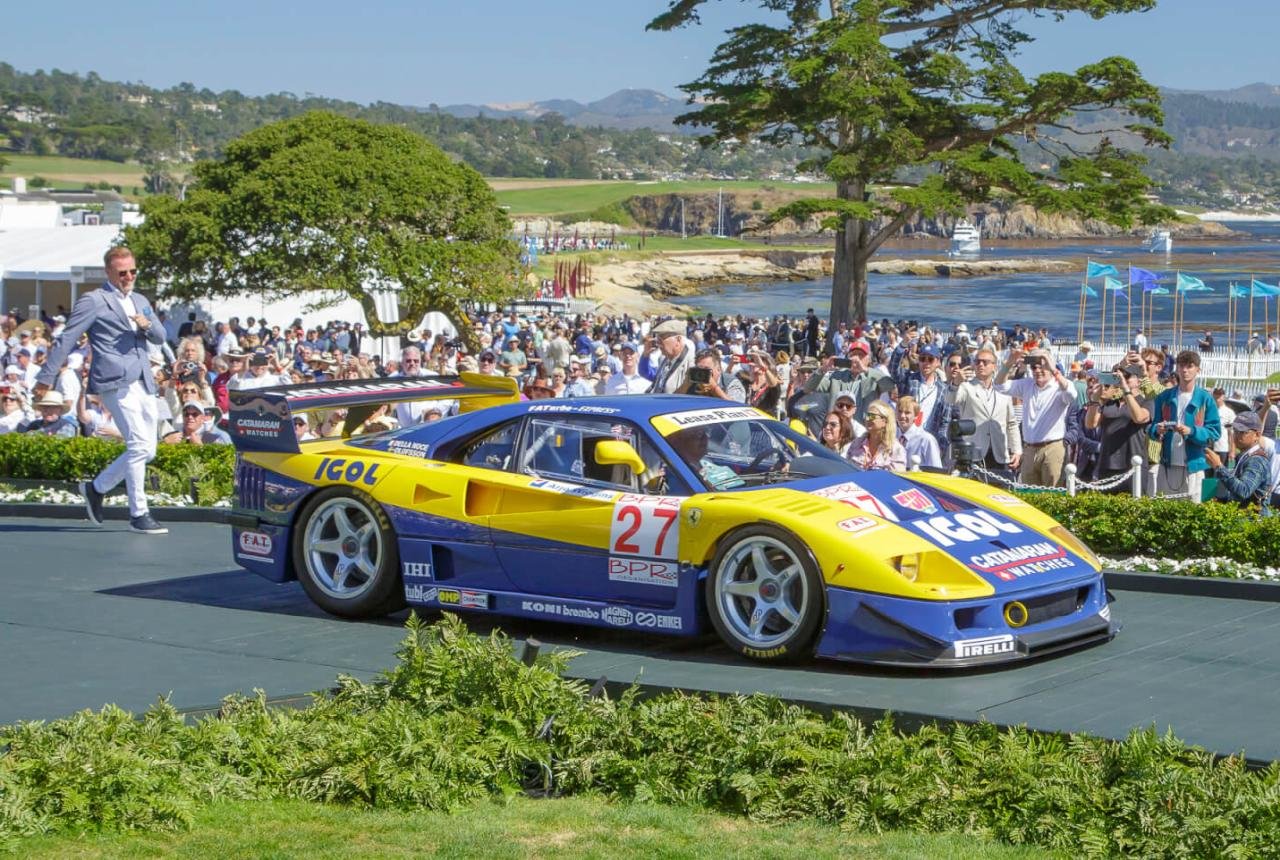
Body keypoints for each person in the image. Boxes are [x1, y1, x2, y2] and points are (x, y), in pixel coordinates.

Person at [34, 246, 169, 534]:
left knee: (149, 451)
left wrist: (147, 326)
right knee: (137, 446)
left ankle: (97, 487)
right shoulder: (94, 301)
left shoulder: (141, 299)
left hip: (143, 379)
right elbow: (68, 338)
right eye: (122, 272)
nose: (129, 277)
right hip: (114, 381)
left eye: (132, 271)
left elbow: (160, 335)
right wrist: (46, 377)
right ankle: (139, 513)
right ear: (108, 272)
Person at [996, 347, 1076, 487]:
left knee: (1054, 495)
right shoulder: (1027, 384)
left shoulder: (1059, 385)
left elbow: (1071, 394)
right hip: (1029, 449)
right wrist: (1009, 363)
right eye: (1034, 367)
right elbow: (999, 386)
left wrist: (1054, 370)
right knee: (1030, 495)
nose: (1038, 371)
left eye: (1042, 366)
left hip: (1052, 447)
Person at [1148, 350, 1221, 504]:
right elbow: (1152, 428)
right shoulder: (1164, 397)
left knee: (1193, 513)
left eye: (1190, 366)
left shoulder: (1205, 399)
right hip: (1167, 463)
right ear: (1177, 369)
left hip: (1193, 465)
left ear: (1198, 370)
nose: (1185, 370)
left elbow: (1214, 432)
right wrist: (1157, 430)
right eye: (1181, 366)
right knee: (1165, 512)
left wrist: (1192, 431)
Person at [945, 347, 1021, 472]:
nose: (980, 364)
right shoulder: (966, 387)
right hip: (974, 453)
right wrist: (956, 384)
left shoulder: (1003, 390)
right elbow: (950, 400)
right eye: (977, 361)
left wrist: (1017, 450)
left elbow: (1011, 423)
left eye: (985, 362)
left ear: (994, 367)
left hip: (999, 454)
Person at [1083, 364, 1150, 489]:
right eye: (1120, 376)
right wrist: (1095, 398)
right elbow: (1090, 424)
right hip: (1107, 464)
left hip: (1133, 464)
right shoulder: (1110, 403)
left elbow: (1139, 417)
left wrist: (1126, 390)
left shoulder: (1146, 402)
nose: (1123, 379)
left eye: (1127, 376)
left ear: (1139, 381)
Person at [1206, 412, 1270, 508]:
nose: (1236, 435)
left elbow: (1244, 491)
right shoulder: (1244, 456)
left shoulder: (1256, 460)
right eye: (1235, 431)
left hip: (1254, 520)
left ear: (1257, 435)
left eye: (1242, 432)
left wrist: (1219, 467)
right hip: (1245, 517)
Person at [667, 425, 743, 489]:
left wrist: (737, 457)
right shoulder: (675, 474)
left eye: (705, 434)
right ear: (680, 442)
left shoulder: (707, 462)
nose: (705, 439)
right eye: (698, 436)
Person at [845, 400, 906, 471]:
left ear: (884, 421)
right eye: (867, 415)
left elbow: (897, 478)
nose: (868, 419)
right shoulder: (856, 443)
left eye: (872, 416)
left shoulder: (896, 449)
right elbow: (847, 469)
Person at [895, 396, 942, 469]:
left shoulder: (926, 440)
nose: (902, 416)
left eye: (907, 413)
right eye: (900, 411)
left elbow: (936, 470)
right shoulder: (892, 436)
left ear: (916, 416)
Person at [647, 319, 693, 393]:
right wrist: (645, 355)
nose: (657, 343)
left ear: (678, 340)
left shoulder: (691, 364)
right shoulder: (664, 360)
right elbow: (646, 373)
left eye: (661, 339)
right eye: (657, 339)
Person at [163, 402, 231, 445]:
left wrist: (200, 448)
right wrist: (164, 443)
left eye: (195, 414)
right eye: (186, 414)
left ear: (202, 418)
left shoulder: (215, 439)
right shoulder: (171, 436)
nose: (190, 417)